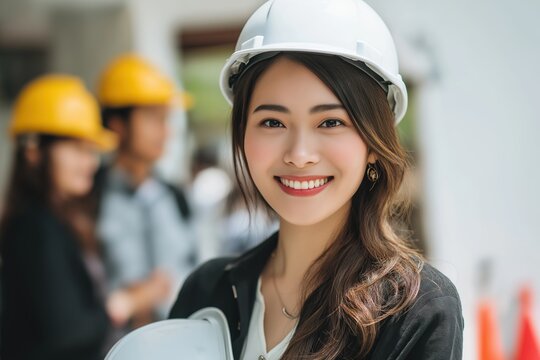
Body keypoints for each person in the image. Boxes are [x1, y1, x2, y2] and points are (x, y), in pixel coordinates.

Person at [169, 0, 464, 359]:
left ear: (373, 143)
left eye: (330, 122)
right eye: (273, 123)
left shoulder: (414, 310)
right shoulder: (207, 292)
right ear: (243, 135)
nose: (299, 153)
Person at [0, 75, 130, 359]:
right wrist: (121, 304)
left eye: (92, 150)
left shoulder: (55, 219)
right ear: (33, 152)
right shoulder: (34, 227)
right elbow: (68, 333)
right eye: (77, 149)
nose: (91, 162)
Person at [95, 54, 197, 326]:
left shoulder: (175, 196)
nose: (166, 132)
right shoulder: (89, 198)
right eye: (153, 118)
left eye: (167, 119)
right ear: (118, 124)